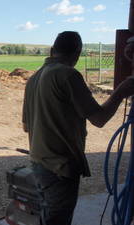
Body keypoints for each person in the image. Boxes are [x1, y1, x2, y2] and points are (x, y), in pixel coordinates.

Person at [22, 31, 134, 225]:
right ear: (77, 53)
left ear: (52, 50)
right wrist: (121, 92)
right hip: (59, 167)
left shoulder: (34, 78)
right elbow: (99, 119)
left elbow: (26, 126)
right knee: (57, 220)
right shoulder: (67, 74)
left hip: (39, 163)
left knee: (46, 216)